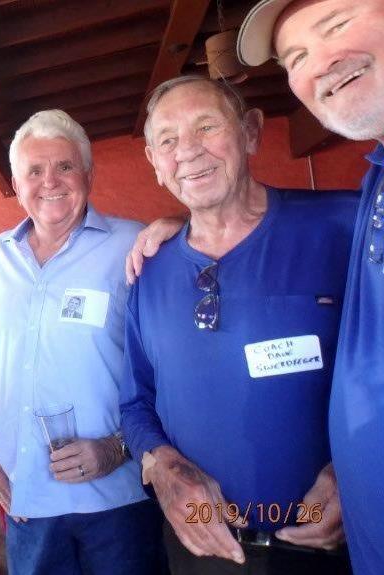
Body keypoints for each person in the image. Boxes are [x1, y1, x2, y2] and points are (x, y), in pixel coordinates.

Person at [120, 76, 355, 574]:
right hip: (202, 546)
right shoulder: (149, 273)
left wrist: (357, 470)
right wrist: (162, 467)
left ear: (250, 132)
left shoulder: (344, 227)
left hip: (333, 539)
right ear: (155, 162)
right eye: (168, 140)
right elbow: (135, 403)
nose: (188, 151)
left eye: (207, 126)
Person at [0, 109, 166, 575]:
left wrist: (118, 448)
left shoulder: (132, 244)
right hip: (27, 501)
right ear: (17, 185)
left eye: (65, 166)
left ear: (88, 175)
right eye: (34, 170)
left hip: (117, 499)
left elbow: (167, 366)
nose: (50, 181)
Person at [236, 3, 384, 573]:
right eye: (296, 56)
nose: (320, 62)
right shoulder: (374, 183)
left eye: (336, 23)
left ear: (249, 135)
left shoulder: (340, 212)